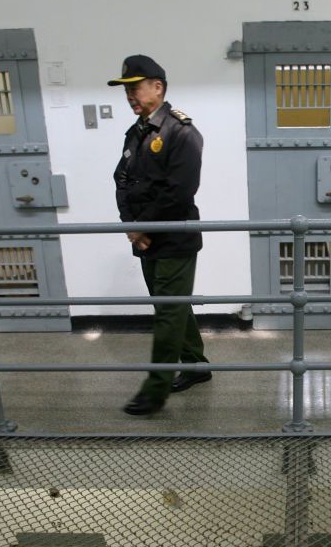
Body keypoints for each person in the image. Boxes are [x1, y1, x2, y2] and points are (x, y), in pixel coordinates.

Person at [109, 55, 211, 415]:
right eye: (125, 90)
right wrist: (130, 225)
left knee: (168, 311)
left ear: (158, 87)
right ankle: (196, 364)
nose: (129, 96)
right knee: (170, 305)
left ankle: (155, 391)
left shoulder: (182, 132)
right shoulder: (136, 132)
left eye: (135, 88)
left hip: (174, 238)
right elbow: (121, 179)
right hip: (145, 237)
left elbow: (179, 190)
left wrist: (143, 226)